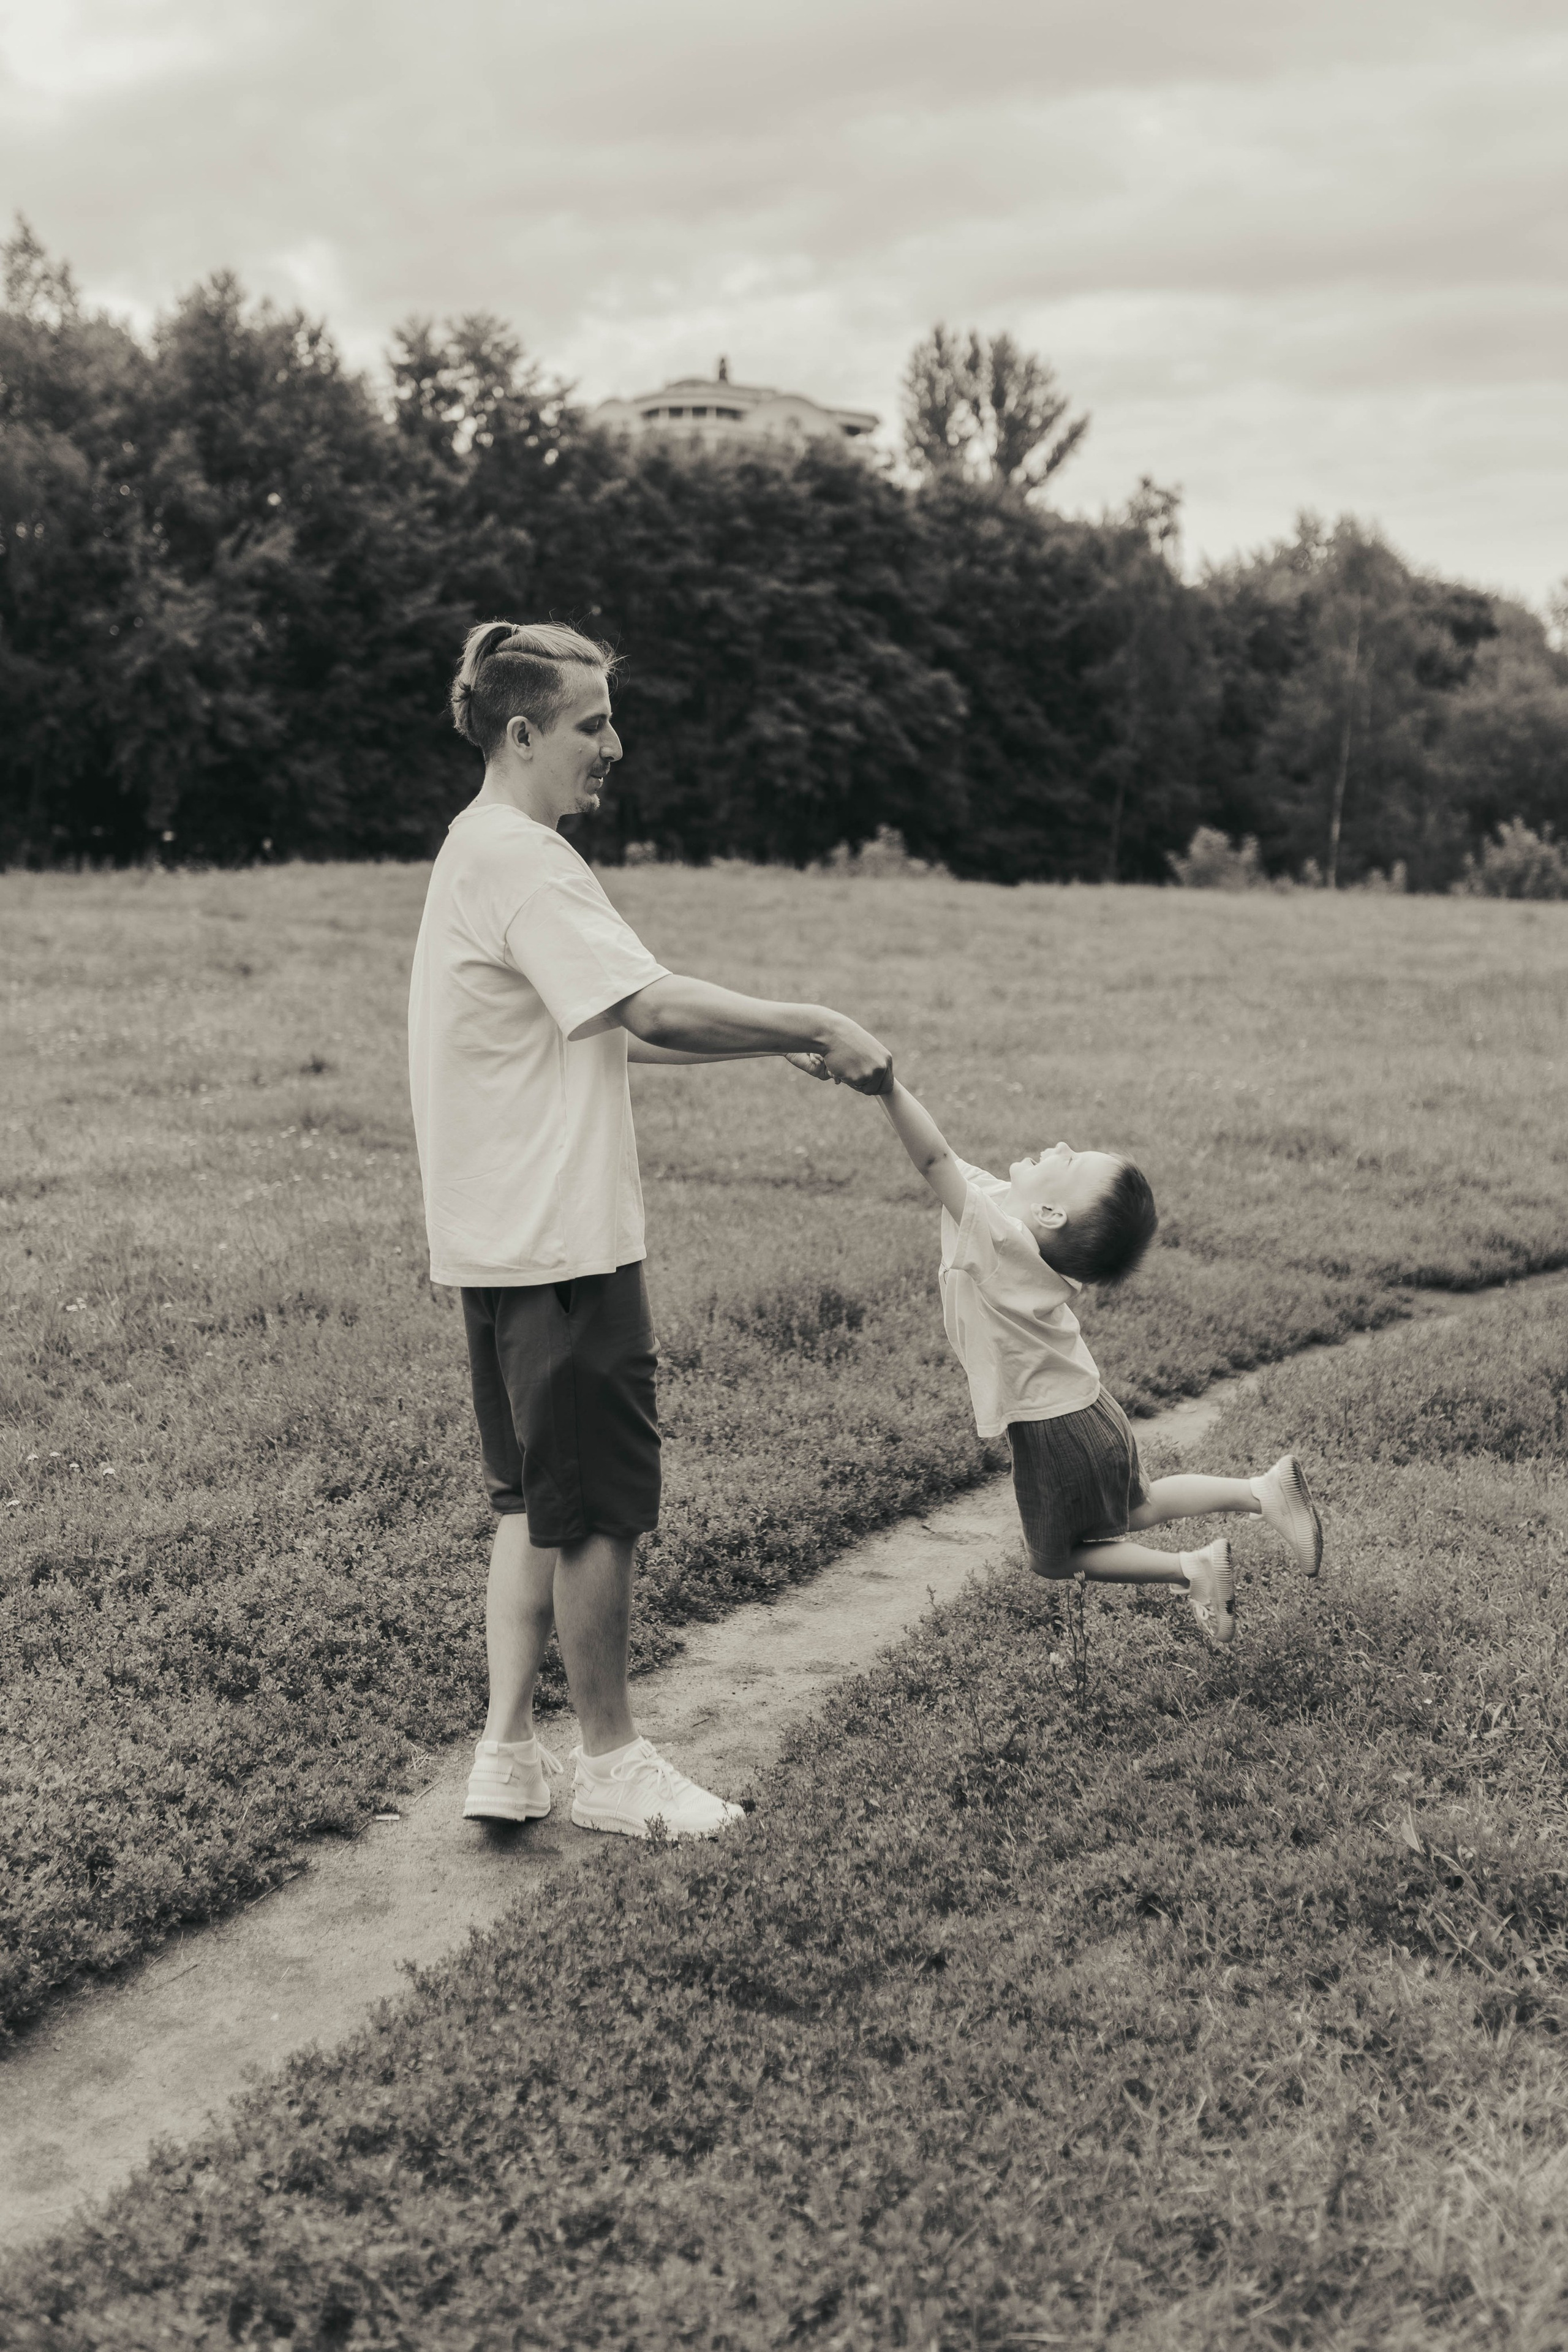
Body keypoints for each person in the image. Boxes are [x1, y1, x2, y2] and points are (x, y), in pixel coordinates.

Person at [408, 621, 894, 1842]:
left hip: (498, 1252)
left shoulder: (474, 851)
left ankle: (507, 1755)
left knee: (530, 1507)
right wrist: (811, 1022)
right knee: (602, 1513)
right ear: (522, 735)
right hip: (566, 1255)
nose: (614, 747)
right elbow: (649, 1009)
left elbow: (591, 1030)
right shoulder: (523, 860)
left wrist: (765, 1035)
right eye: (591, 725)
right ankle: (611, 1762)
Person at [803, 1067, 1322, 1640]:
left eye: (1072, 1163)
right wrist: (868, 1081)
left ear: (1051, 1215)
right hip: (1089, 1411)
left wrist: (886, 1087)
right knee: (1138, 1505)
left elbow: (934, 1163)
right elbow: (940, 1157)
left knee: (1052, 1559)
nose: (1061, 1146)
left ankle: (1191, 1569)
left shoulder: (1003, 1243)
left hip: (1054, 1427)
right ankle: (1260, 1491)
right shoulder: (1002, 1213)